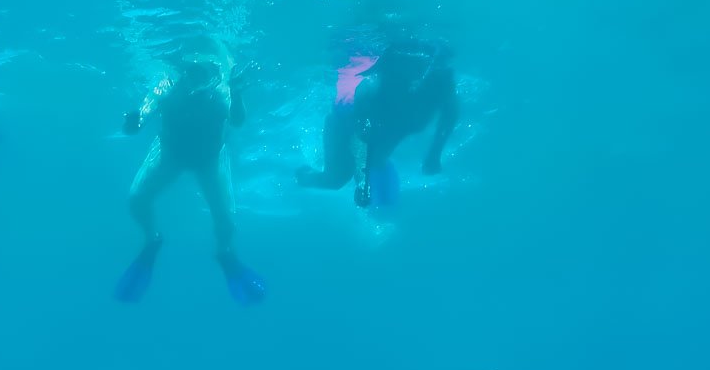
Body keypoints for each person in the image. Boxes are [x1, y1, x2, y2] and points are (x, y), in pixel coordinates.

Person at [115, 45, 265, 305]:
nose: (197, 78)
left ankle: (225, 253)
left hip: (211, 158)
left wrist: (238, 93)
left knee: (227, 220)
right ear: (182, 71)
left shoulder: (223, 92)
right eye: (191, 71)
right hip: (169, 152)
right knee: (136, 199)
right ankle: (152, 239)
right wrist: (133, 122)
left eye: (204, 72)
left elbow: (238, 122)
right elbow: (140, 120)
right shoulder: (167, 86)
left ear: (215, 71)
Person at [296, 38, 457, 208]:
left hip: (376, 132)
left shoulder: (440, 82)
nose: (416, 68)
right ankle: (301, 177)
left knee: (375, 160)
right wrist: (362, 184)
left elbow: (450, 114)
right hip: (344, 125)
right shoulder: (378, 93)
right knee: (336, 180)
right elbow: (363, 136)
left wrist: (435, 153)